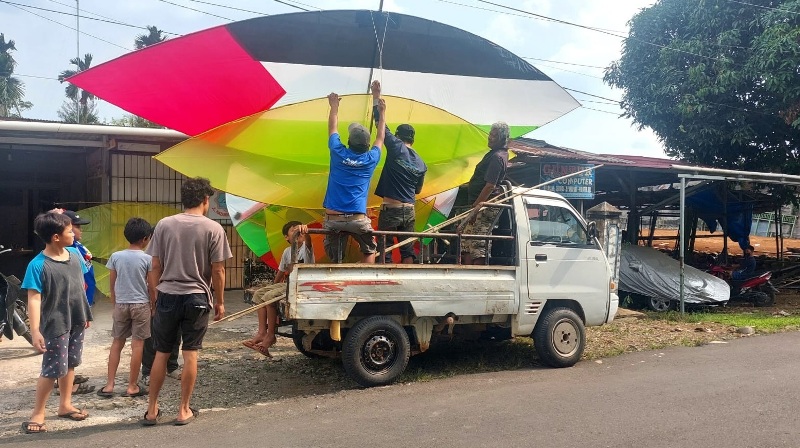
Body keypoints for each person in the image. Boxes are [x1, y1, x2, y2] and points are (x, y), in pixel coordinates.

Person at [142, 177, 232, 426]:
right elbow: (218, 270)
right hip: (198, 298)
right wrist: (220, 301)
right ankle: (183, 410)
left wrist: (155, 294)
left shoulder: (163, 225)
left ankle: (151, 411)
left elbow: (155, 265)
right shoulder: (213, 229)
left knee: (161, 352)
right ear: (206, 200)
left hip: (168, 295)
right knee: (190, 353)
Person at [20, 212, 93, 434]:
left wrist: (84, 314)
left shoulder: (73, 253)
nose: (74, 233)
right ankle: (38, 412)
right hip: (55, 323)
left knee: (70, 363)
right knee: (52, 369)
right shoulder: (38, 265)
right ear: (55, 237)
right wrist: (35, 330)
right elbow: (34, 298)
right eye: (70, 231)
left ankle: (65, 404)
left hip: (77, 320)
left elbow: (79, 284)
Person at [322, 92, 385, 263]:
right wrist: (381, 108)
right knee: (370, 250)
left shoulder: (338, 152)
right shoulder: (371, 159)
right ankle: (366, 282)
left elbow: (332, 128)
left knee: (336, 259)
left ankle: (336, 280)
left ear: (348, 141)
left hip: (333, 219)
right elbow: (380, 137)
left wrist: (334, 106)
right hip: (358, 219)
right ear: (367, 145)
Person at [370, 80, 427, 263]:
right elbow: (417, 191)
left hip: (391, 209)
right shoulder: (421, 163)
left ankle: (382, 287)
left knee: (383, 250)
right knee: (407, 250)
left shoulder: (396, 147)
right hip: (409, 211)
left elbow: (380, 126)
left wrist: (376, 96)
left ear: (398, 136)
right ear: (413, 140)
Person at [97, 218, 155, 399]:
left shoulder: (116, 257)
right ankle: (132, 386)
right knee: (138, 346)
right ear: (145, 238)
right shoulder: (148, 259)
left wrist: (115, 304)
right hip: (141, 305)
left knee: (117, 343)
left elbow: (112, 284)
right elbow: (152, 286)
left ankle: (109, 385)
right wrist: (153, 305)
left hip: (121, 304)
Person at [242, 221, 313, 357]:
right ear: (286, 237)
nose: (298, 232)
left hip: (303, 284)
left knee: (270, 297)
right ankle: (262, 332)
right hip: (289, 283)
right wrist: (272, 287)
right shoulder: (287, 251)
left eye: (300, 230)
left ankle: (270, 336)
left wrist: (307, 233)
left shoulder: (306, 248)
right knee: (259, 295)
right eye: (294, 230)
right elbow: (280, 273)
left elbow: (309, 242)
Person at [50, 209, 94, 395]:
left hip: (80, 304)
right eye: (75, 227)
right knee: (64, 346)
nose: (79, 230)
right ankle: (65, 384)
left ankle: (67, 376)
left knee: (72, 348)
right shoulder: (66, 251)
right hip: (70, 307)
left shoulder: (77, 247)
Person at [457, 122, 511, 265]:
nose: (490, 137)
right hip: (477, 204)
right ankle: (467, 274)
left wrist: (476, 207)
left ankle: (477, 275)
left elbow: (490, 186)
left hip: (485, 205)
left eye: (493, 135)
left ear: (501, 138)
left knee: (477, 243)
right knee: (466, 242)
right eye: (490, 134)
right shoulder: (494, 154)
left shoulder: (497, 157)